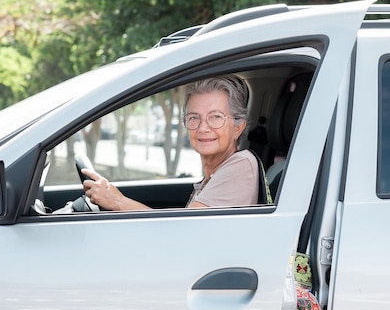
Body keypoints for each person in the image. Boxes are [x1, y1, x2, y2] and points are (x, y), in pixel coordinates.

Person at [81, 75, 264, 211]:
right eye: (194, 117)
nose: (203, 128)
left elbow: (182, 232)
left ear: (238, 128)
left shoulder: (242, 164)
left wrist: (117, 202)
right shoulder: (212, 176)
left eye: (216, 117)